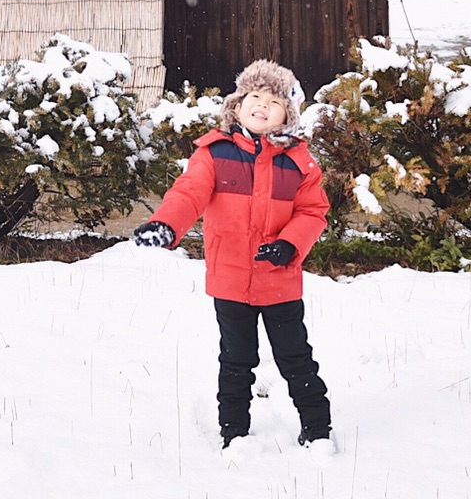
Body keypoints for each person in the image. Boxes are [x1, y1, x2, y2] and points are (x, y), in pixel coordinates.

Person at [131, 59, 332, 448]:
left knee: (296, 359)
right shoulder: (214, 153)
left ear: (286, 116)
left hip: (280, 280)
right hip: (231, 279)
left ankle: (318, 429)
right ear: (236, 106)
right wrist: (166, 225)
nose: (261, 105)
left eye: (273, 101)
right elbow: (188, 193)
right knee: (236, 361)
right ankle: (234, 431)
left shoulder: (299, 163)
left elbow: (313, 212)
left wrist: (290, 244)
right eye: (253, 96)